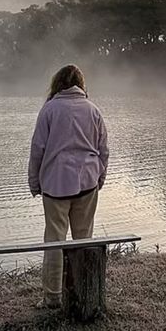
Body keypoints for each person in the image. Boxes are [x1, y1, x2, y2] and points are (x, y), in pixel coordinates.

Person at [28, 64, 109, 308]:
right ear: (81, 85)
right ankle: (83, 291)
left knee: (55, 240)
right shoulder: (93, 110)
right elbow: (103, 149)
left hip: (55, 185)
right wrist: (100, 178)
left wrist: (34, 182)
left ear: (57, 84)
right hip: (87, 183)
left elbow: (37, 149)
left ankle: (53, 297)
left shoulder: (49, 109)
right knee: (83, 240)